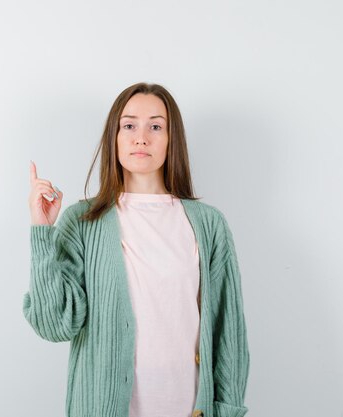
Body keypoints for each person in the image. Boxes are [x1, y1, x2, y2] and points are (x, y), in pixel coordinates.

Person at [24, 82, 250, 417]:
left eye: (155, 126)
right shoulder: (83, 221)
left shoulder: (209, 224)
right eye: (128, 125)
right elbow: (54, 324)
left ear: (172, 140)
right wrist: (42, 230)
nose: (140, 137)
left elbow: (227, 330)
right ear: (113, 137)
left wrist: (228, 410)